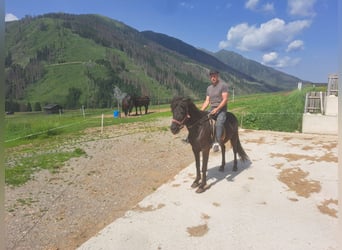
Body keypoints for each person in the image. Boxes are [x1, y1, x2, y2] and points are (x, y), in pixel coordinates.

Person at [201, 69, 228, 152]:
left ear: (217, 76)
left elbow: (225, 99)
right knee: (201, 120)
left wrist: (217, 109)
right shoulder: (209, 88)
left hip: (221, 109)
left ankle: (217, 143)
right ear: (210, 77)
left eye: (214, 76)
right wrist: (201, 111)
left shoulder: (223, 85)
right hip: (212, 109)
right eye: (211, 76)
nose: (213, 77)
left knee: (219, 123)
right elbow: (207, 101)